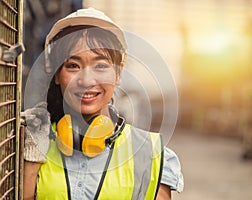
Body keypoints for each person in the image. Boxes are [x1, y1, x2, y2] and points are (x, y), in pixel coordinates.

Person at [22, 7, 183, 200]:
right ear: (57, 74)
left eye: (101, 65)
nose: (87, 80)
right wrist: (31, 160)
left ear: (118, 73)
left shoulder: (152, 156)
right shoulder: (35, 142)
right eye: (73, 65)